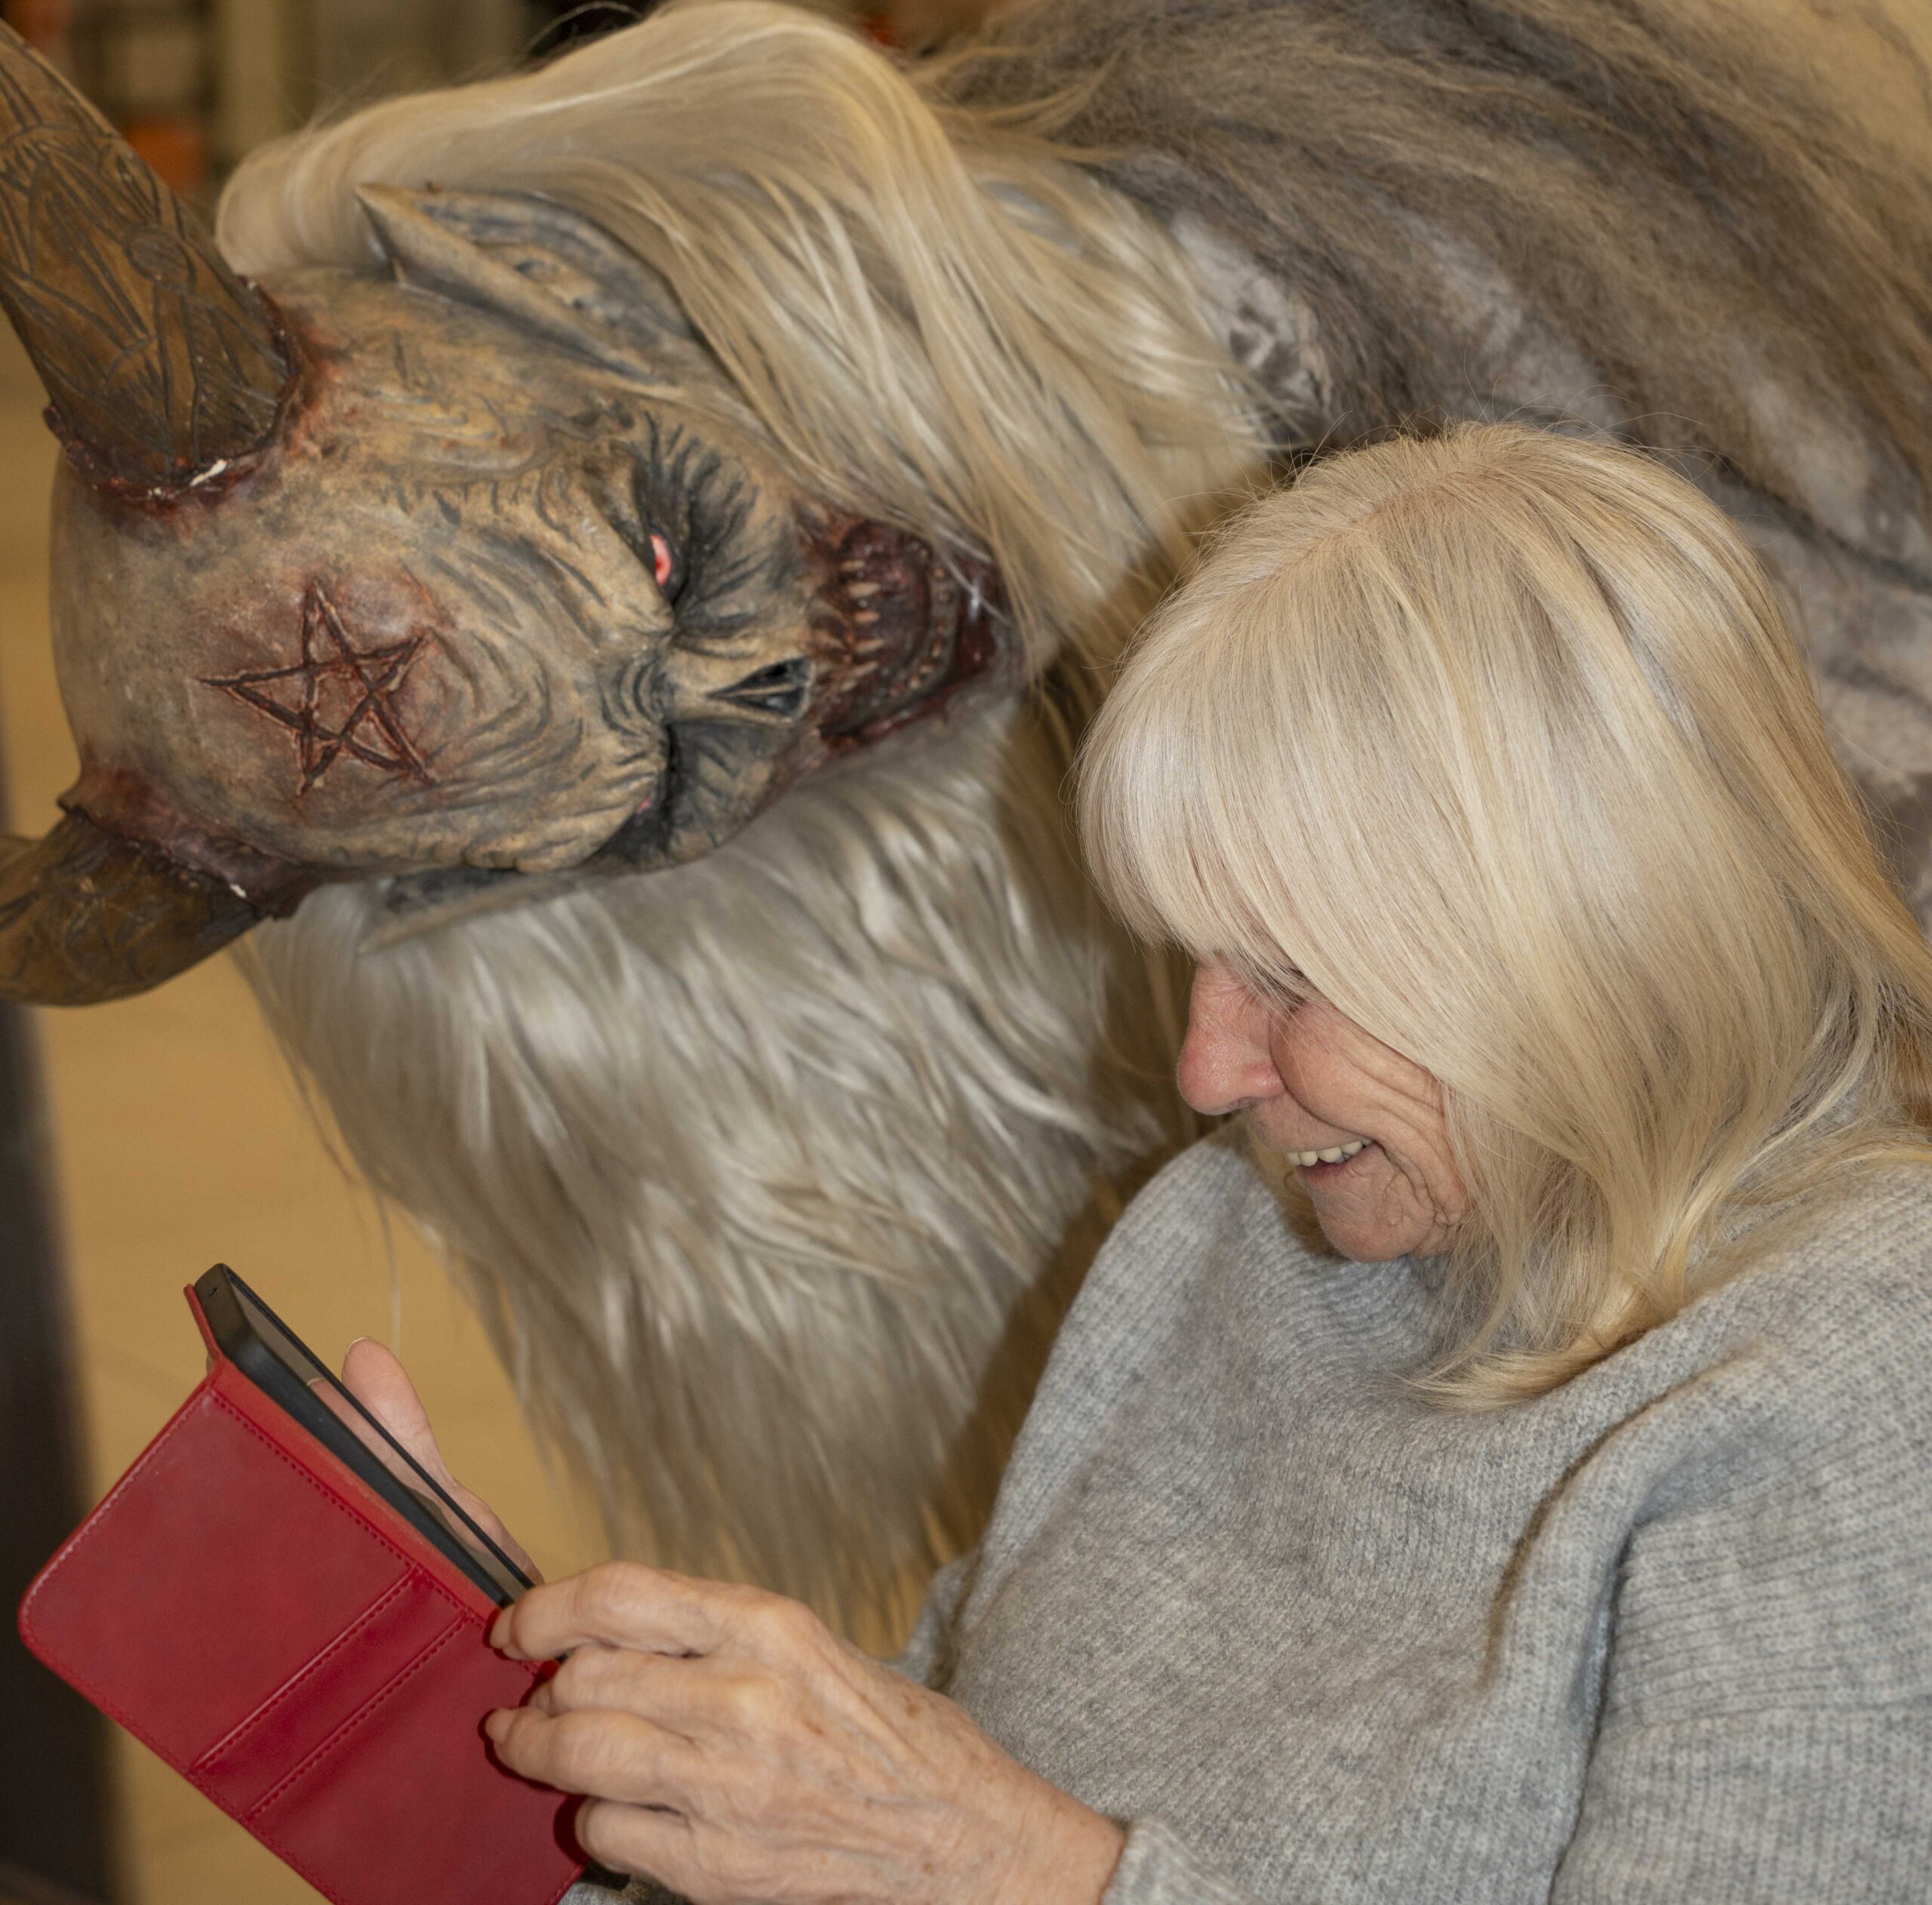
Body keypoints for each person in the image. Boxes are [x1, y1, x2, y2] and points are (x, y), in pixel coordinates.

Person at [348, 421, 1932, 1903]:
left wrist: (1023, 1871)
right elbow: (923, 1780)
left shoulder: (1860, 1375)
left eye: (1291, 977)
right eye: (1195, 959)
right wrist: (529, 1720)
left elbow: (961, 1841)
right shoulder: (1233, 1230)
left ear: (1591, 938)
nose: (1207, 1070)